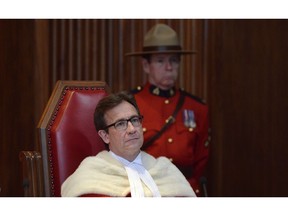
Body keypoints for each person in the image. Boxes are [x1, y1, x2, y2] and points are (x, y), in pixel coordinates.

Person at [125, 23, 210, 196]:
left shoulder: (197, 107)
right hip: (144, 190)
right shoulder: (129, 105)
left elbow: (202, 159)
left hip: (185, 191)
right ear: (146, 66)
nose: (169, 67)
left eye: (173, 60)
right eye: (160, 61)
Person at [61, 91, 196, 197]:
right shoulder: (89, 175)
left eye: (134, 120)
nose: (132, 129)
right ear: (105, 136)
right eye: (120, 124)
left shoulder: (165, 170)